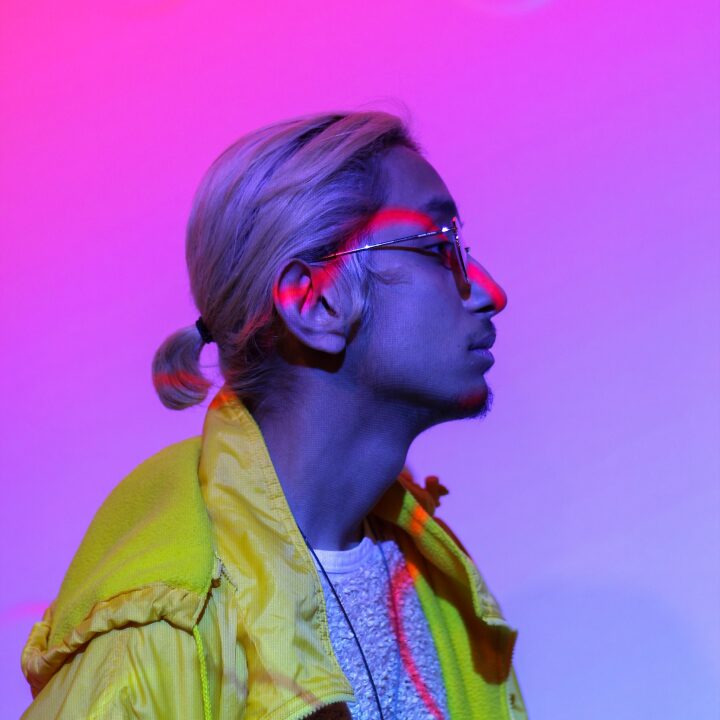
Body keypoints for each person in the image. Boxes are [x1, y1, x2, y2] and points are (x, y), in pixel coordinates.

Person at [20, 111, 527, 719]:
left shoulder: (437, 582)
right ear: (313, 301)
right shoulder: (152, 642)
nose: (490, 291)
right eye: (438, 247)